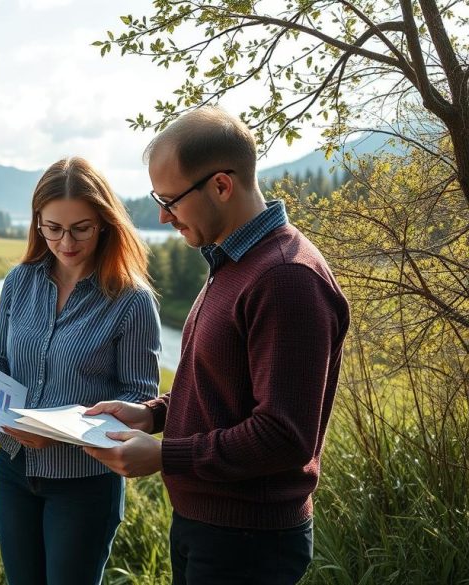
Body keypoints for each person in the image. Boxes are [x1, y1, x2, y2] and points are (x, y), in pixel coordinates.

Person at [84, 106, 350, 585]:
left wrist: (163, 455)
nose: (163, 216)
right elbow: (221, 387)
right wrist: (152, 414)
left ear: (221, 186)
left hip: (248, 542)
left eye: (171, 200)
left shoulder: (286, 278)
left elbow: (284, 436)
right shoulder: (234, 260)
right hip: (210, 526)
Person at [0, 157, 160, 584]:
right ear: (37, 222)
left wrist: (54, 432)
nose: (65, 242)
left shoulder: (132, 301)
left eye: (80, 228)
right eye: (53, 228)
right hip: (13, 470)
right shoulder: (19, 281)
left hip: (84, 484)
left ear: (105, 223)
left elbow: (140, 399)